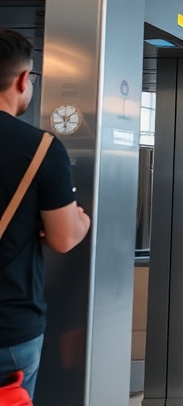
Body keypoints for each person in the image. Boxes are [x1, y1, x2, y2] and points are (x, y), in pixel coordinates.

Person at [0, 29, 91, 398]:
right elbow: (64, 238)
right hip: (9, 326)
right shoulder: (40, 149)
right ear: (23, 80)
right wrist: (80, 218)